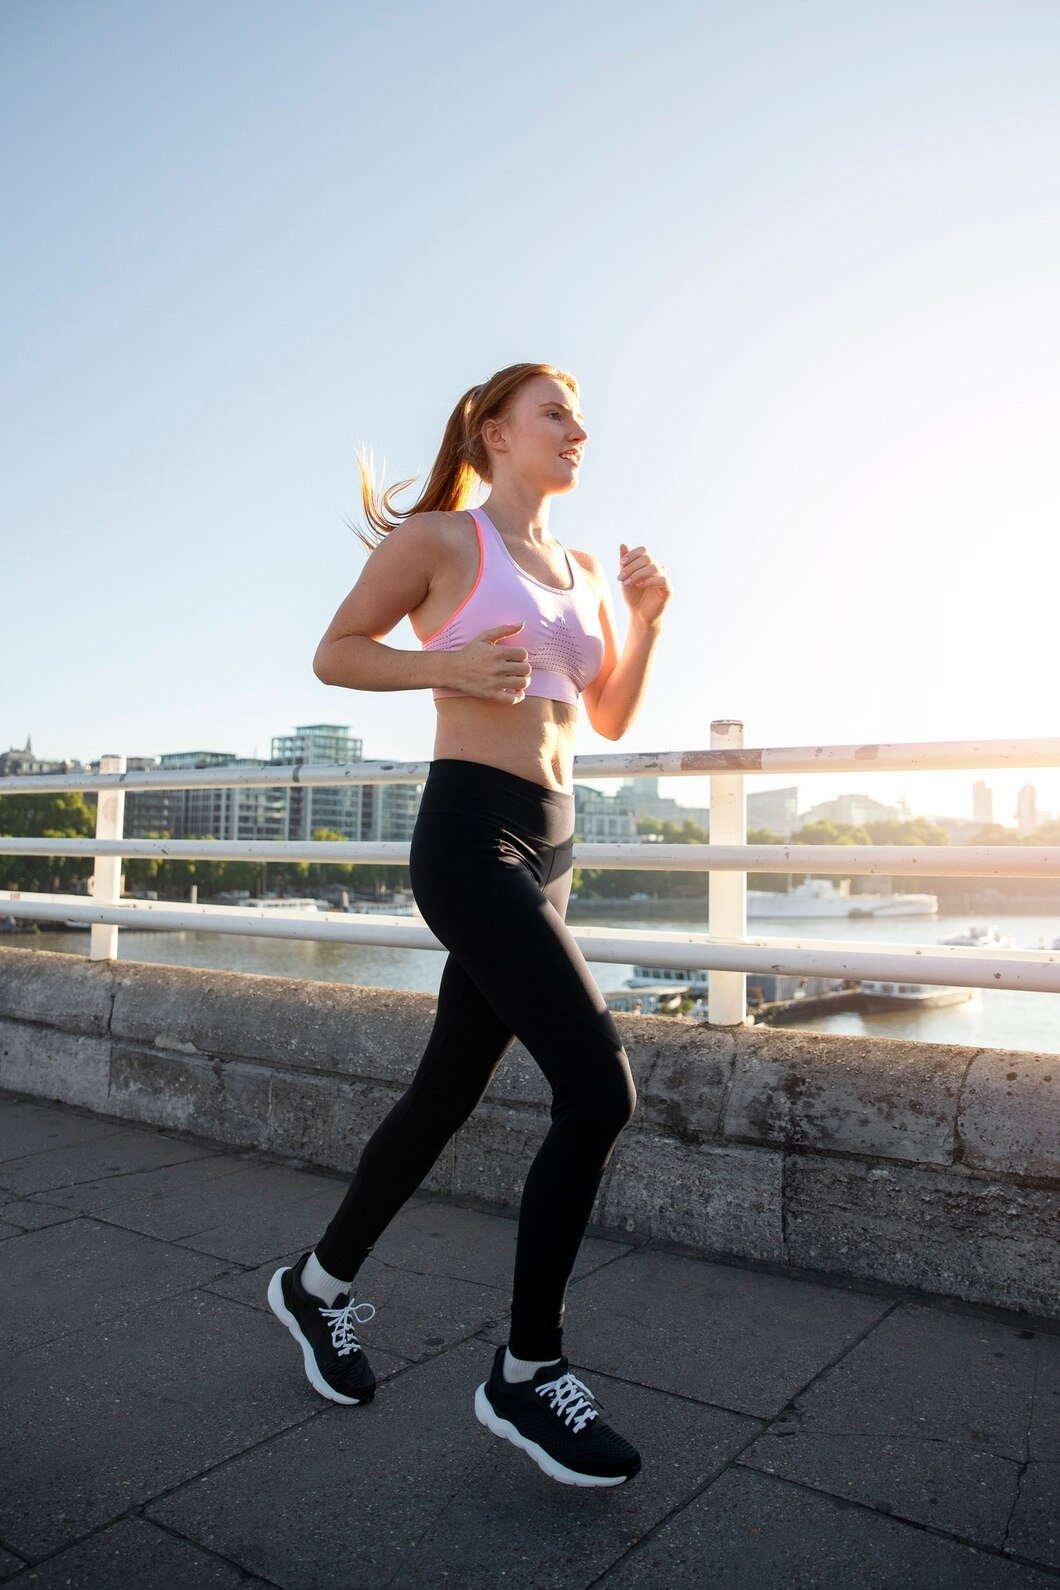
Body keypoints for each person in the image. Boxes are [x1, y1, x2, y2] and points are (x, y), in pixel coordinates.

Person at [268, 361, 671, 1487]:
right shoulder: (447, 543)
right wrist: (445, 664)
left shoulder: (584, 568)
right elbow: (336, 652)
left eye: (580, 417)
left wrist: (640, 620)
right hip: (469, 837)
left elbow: (606, 711)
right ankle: (526, 1374)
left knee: (445, 1090)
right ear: (495, 433)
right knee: (599, 1088)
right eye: (555, 414)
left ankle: (317, 1285)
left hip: (553, 845)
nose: (577, 430)